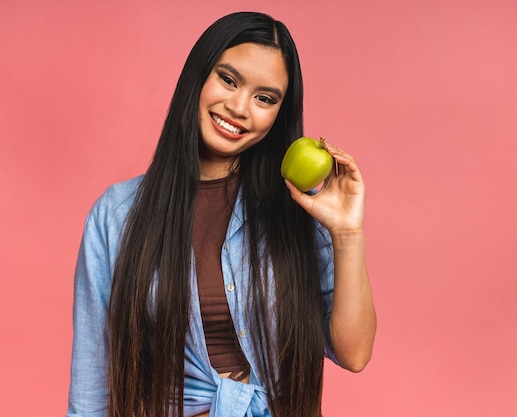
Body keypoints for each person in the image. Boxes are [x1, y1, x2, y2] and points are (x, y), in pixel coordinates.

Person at [67, 11, 376, 417]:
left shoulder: (298, 209)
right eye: (228, 80)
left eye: (264, 98)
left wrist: (347, 234)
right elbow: (92, 387)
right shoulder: (117, 216)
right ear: (198, 77)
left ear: (279, 115)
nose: (238, 107)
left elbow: (353, 353)